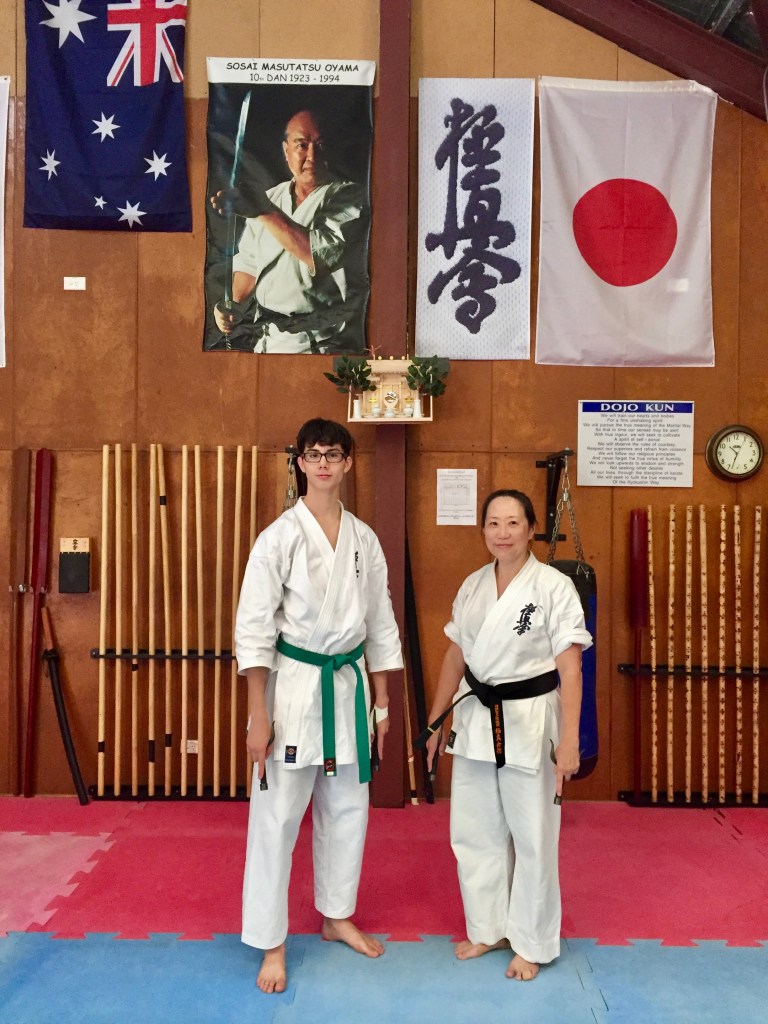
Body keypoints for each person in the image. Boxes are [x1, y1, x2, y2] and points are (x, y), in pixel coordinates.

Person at [235, 418, 402, 994]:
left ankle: (335, 915)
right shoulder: (278, 537)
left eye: (334, 454)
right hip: (295, 687)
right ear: (299, 463)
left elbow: (380, 621)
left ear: (349, 463)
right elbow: (253, 630)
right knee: (278, 816)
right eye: (314, 454)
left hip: (350, 688)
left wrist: (381, 702)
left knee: (348, 809)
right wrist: (259, 715)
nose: (325, 463)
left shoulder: (364, 538)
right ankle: (271, 941)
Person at [424, 489, 592, 982]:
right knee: (474, 831)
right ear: (484, 531)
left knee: (534, 834)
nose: (502, 533)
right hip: (477, 718)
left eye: (513, 523)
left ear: (532, 529)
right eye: (493, 523)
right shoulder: (473, 584)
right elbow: (455, 657)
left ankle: (533, 942)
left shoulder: (554, 586)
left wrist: (570, 740)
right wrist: (437, 722)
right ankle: (488, 927)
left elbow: (571, 667)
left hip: (530, 720)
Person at [210, 109, 366, 354]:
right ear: (286, 151)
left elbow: (320, 255)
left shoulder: (350, 197)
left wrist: (264, 213)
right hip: (269, 340)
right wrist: (233, 305)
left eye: (320, 145)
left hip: (323, 343)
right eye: (301, 145)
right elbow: (250, 264)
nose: (311, 155)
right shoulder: (272, 198)